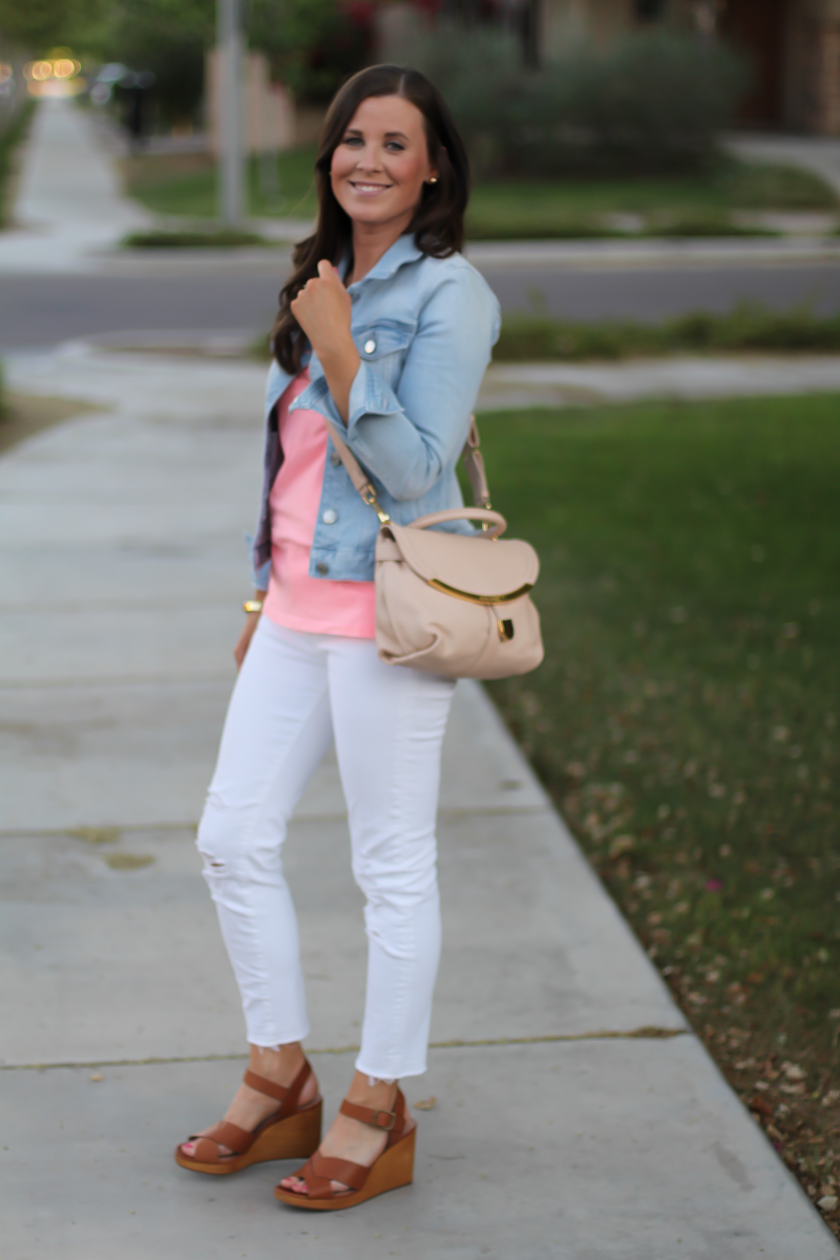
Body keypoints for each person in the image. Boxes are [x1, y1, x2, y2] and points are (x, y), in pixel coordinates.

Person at [175, 63, 499, 1211]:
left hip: (387, 624)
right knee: (230, 837)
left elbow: (415, 475)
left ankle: (378, 1099)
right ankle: (281, 1069)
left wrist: (346, 345)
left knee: (389, 865)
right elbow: (291, 467)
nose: (368, 158)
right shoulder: (324, 274)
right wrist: (263, 593)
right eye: (353, 138)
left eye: (395, 142)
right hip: (295, 615)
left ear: (435, 167)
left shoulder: (452, 294)